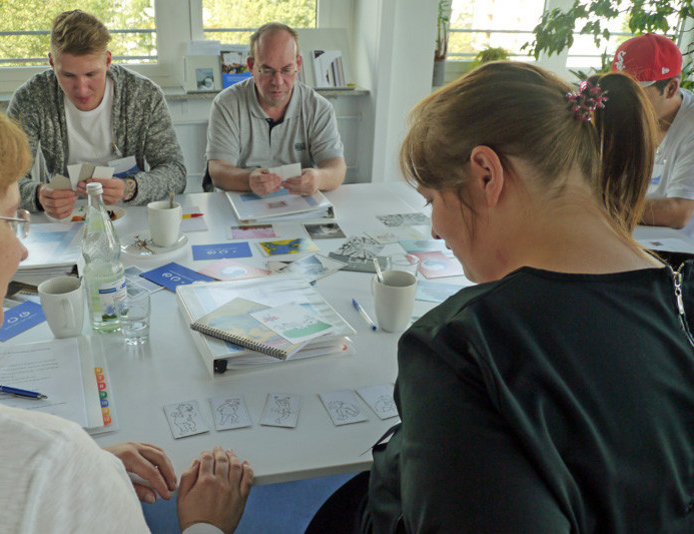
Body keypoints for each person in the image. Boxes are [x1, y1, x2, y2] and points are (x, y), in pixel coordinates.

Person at [307, 62, 694, 532]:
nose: (434, 228)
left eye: (432, 200)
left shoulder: (463, 348)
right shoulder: (681, 298)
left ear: (487, 174)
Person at [0, 72, 251, 534]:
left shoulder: (47, 461)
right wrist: (207, 526)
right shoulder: (50, 459)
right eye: (8, 221)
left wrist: (84, 468)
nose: (22, 251)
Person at [8, 10, 186, 219]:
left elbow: (176, 173)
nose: (82, 90)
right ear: (52, 64)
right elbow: (5, 179)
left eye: (91, 74)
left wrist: (131, 188)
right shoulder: (31, 98)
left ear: (108, 61)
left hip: (130, 212)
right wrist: (38, 195)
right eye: (67, 75)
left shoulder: (144, 95)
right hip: (64, 218)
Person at [205, 22, 346, 196]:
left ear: (298, 64)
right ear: (251, 66)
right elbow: (217, 171)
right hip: (242, 200)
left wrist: (318, 178)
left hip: (297, 202)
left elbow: (336, 168)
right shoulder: (227, 104)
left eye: (287, 70)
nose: (278, 82)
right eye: (267, 70)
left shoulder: (318, 107)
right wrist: (249, 180)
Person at [611, 33, 694, 231]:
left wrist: (603, 207)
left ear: (671, 88)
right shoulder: (630, 114)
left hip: (678, 249)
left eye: (636, 93)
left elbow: (678, 212)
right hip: (632, 236)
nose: (625, 101)